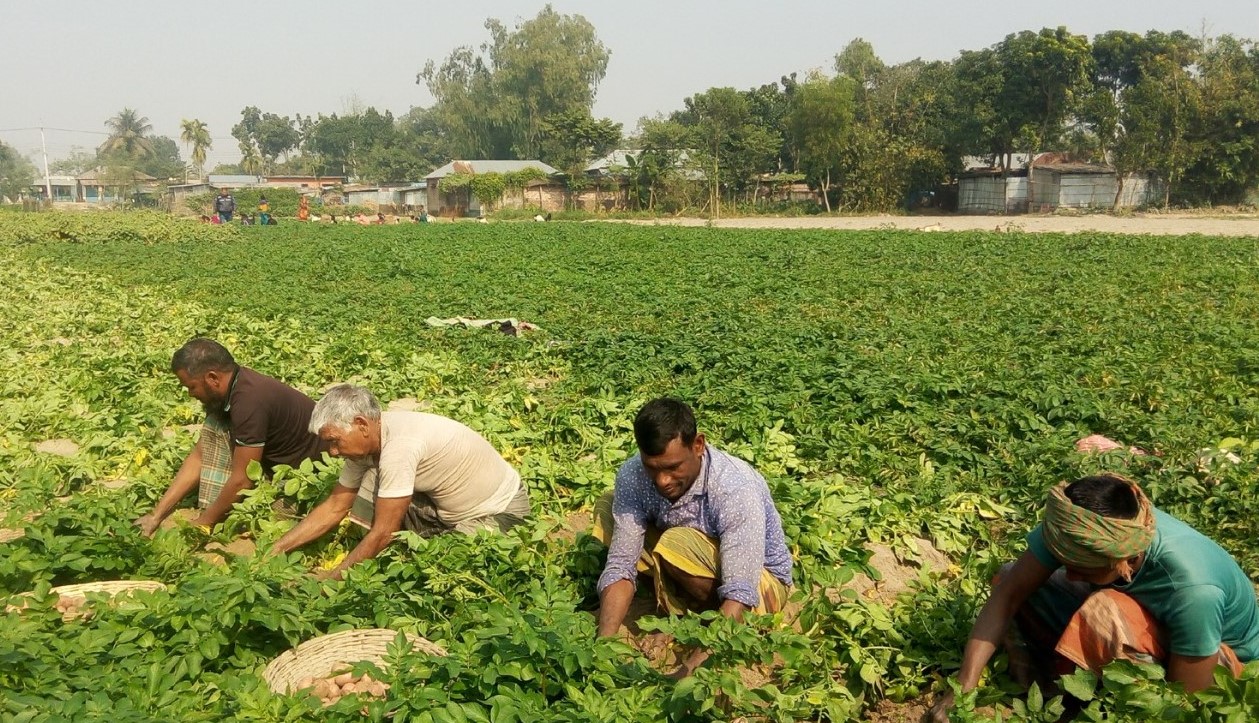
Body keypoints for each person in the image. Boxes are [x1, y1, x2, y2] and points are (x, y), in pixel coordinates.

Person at [930, 473, 1259, 721]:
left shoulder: (1193, 589)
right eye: (1066, 564)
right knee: (1011, 576)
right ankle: (1041, 692)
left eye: (1083, 570)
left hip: (1217, 664)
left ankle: (1084, 704)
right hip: (1148, 627)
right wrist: (963, 689)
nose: (1070, 576)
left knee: (1103, 611)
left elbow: (1188, 702)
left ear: (1124, 562)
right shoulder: (1079, 528)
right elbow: (1009, 595)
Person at [593, 398, 794, 679]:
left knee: (676, 543)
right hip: (691, 558)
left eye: (673, 467)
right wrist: (602, 646)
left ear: (698, 445)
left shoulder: (735, 489)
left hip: (760, 582)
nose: (663, 480)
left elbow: (741, 595)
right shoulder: (633, 475)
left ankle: (695, 618)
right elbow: (621, 564)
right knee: (609, 509)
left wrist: (685, 675)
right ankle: (684, 611)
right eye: (653, 467)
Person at [269, 384, 531, 580]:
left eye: (334, 441)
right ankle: (375, 556)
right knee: (372, 478)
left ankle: (375, 562)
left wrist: (332, 580)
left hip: (499, 512)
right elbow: (336, 505)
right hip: (445, 508)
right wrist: (278, 548)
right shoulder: (370, 441)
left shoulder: (399, 447)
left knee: (444, 567)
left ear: (361, 424)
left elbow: (384, 530)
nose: (333, 451)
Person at [133, 339, 327, 538]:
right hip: (276, 462)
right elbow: (200, 456)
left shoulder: (249, 402)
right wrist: (156, 515)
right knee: (215, 426)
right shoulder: (236, 385)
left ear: (212, 378)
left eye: (191, 386)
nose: (190, 394)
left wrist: (203, 523)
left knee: (263, 526)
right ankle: (217, 507)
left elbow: (242, 480)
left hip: (304, 478)